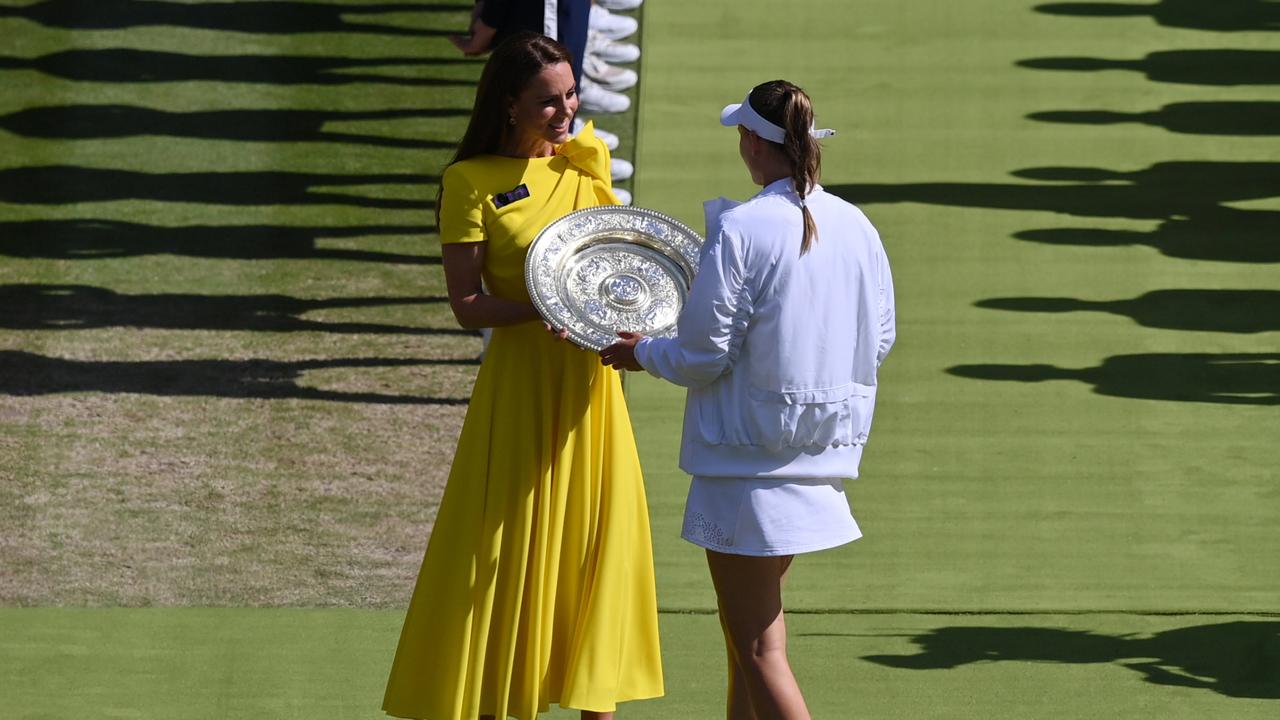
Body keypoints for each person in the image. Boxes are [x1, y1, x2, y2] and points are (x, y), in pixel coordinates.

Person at [383, 32, 663, 720]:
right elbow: (466, 305)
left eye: (571, 94)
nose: (565, 110)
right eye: (548, 100)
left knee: (599, 548)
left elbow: (614, 272)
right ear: (508, 105)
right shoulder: (468, 183)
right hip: (519, 387)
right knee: (503, 554)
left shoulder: (586, 163)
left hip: (592, 390)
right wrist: (540, 309)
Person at [600, 80, 896, 719]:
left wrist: (639, 352)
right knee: (749, 643)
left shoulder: (742, 227)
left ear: (751, 144)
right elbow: (881, 338)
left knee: (759, 647)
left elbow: (702, 355)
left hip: (746, 465)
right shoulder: (857, 223)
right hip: (818, 452)